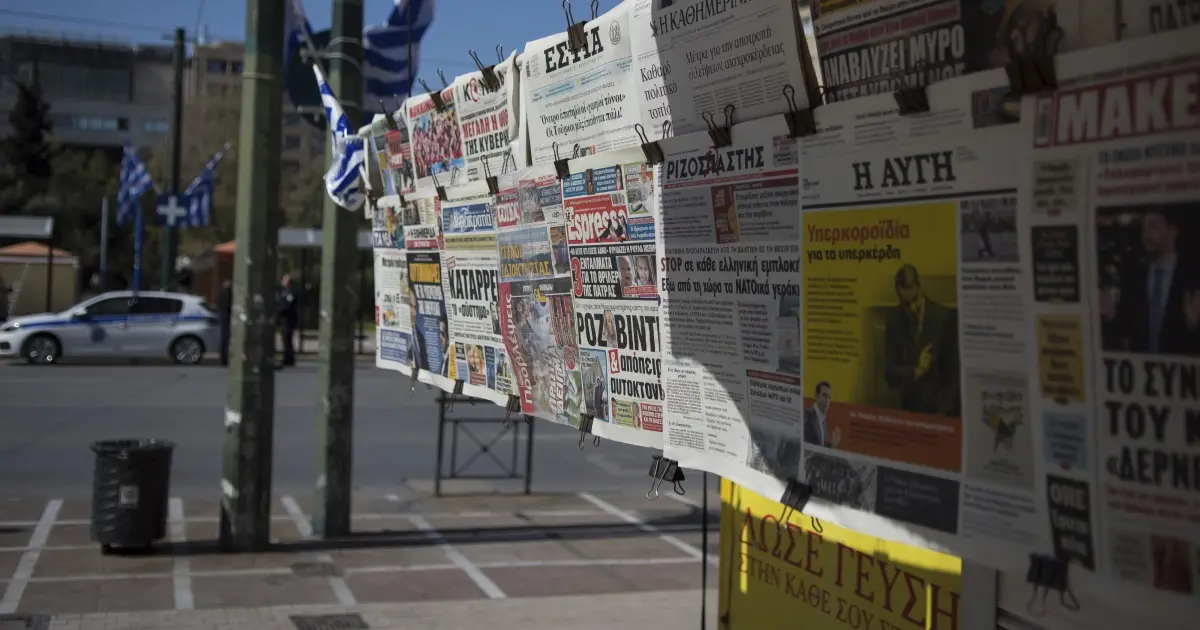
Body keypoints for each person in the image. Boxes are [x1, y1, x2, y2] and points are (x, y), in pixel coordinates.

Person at [1101, 210, 1200, 355]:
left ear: (1172, 232)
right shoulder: (1134, 278)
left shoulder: (1192, 277)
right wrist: (1110, 316)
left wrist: (1195, 326)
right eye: (1144, 229)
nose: (1146, 235)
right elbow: (1124, 330)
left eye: (1153, 227)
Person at [883, 264, 960, 416]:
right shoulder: (894, 320)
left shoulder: (943, 317)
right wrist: (917, 371)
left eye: (915, 300)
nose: (912, 308)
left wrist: (945, 410)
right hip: (911, 409)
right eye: (906, 304)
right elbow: (889, 373)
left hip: (942, 410)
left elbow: (955, 371)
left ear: (919, 288)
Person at [803, 381, 837, 447]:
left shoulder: (823, 420)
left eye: (829, 397)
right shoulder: (808, 415)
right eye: (824, 395)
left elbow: (821, 447)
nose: (827, 400)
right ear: (816, 396)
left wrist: (832, 444)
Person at [277, 275, 298, 369]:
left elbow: (289, 305)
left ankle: (289, 359)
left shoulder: (290, 292)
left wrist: (280, 311)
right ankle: (287, 357)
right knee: (285, 339)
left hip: (288, 318)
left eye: (286, 281)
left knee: (287, 338)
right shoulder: (282, 291)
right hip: (283, 319)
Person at [217, 279, 233, 366]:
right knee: (226, 340)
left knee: (224, 340)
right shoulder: (228, 294)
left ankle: (223, 359)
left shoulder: (222, 294)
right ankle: (224, 359)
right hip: (227, 319)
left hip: (223, 318)